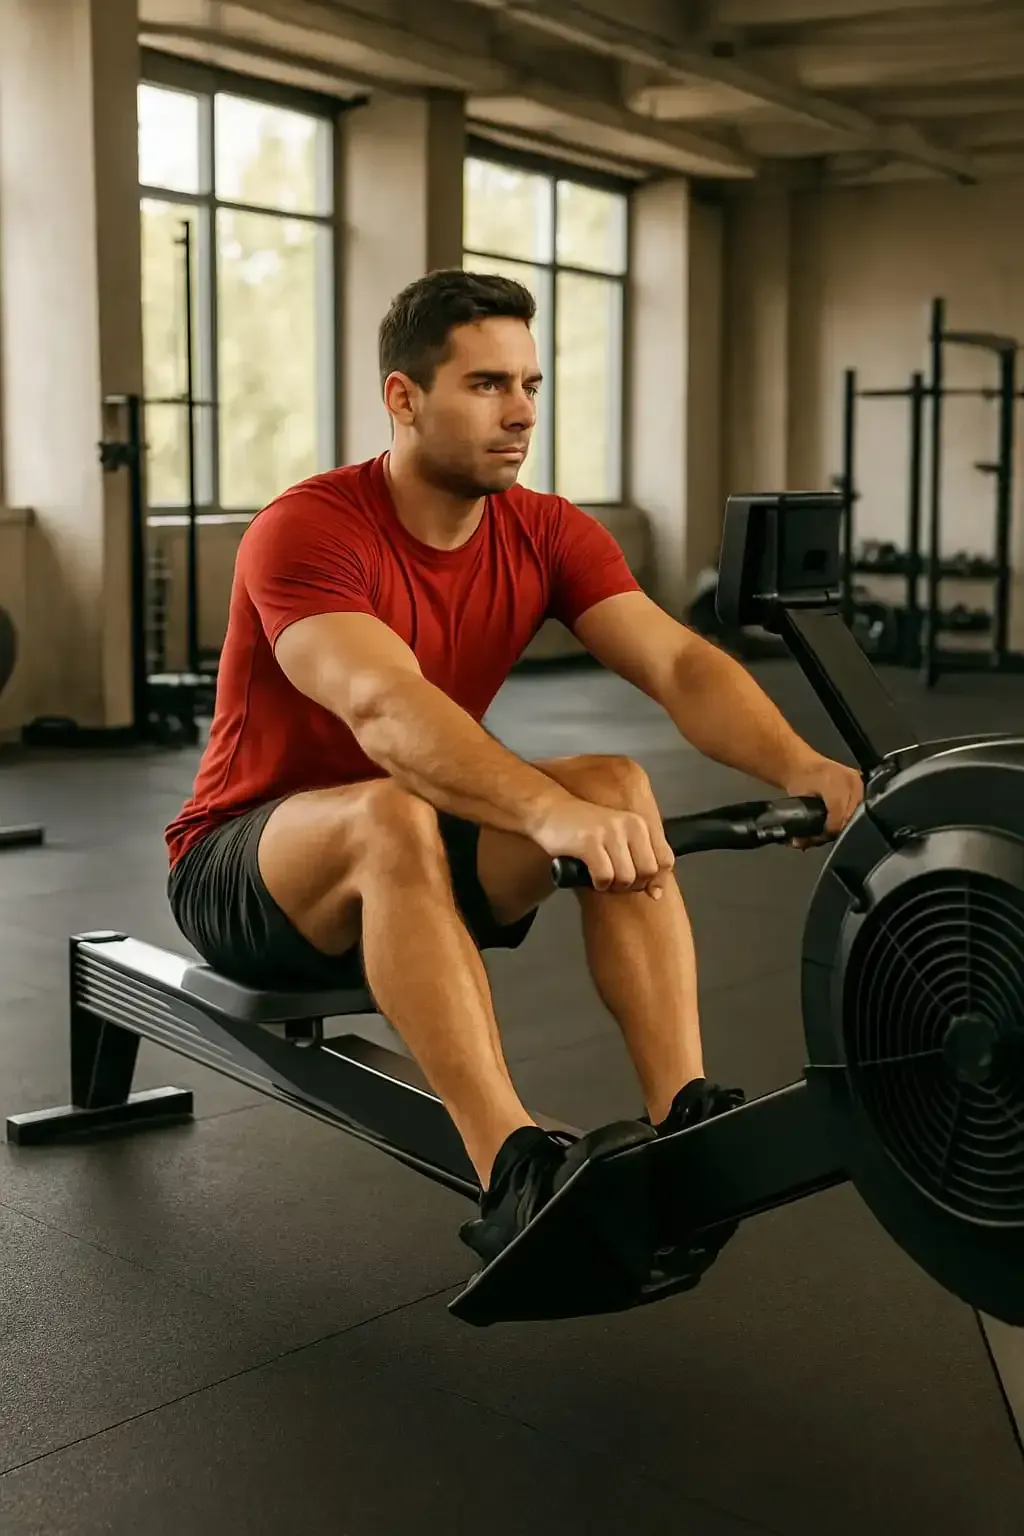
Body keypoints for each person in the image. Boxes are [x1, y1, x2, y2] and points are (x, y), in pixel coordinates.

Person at [165, 268, 863, 1268]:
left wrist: (807, 765)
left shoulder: (544, 530)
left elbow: (675, 662)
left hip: (405, 847)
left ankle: (685, 1118)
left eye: (530, 385)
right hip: (247, 869)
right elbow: (382, 707)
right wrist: (544, 815)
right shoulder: (309, 527)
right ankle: (513, 1172)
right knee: (391, 815)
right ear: (402, 398)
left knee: (614, 781)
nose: (520, 412)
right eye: (487, 385)